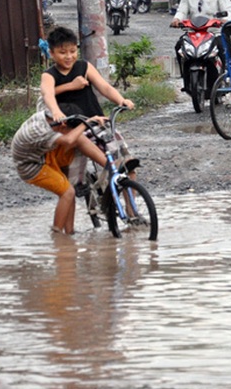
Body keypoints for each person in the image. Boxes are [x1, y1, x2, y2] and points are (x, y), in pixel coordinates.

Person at [37, 26, 137, 187]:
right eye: (63, 53)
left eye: (72, 51)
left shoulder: (83, 67)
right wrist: (56, 110)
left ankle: (131, 210)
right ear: (52, 53)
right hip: (73, 129)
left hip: (98, 123)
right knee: (75, 183)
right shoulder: (49, 75)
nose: (69, 56)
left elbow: (104, 87)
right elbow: (47, 94)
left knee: (128, 165)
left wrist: (121, 100)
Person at [11, 108, 107, 235]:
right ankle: (57, 235)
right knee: (68, 192)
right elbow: (68, 140)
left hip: (45, 152)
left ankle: (69, 232)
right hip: (32, 166)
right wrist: (86, 123)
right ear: (61, 124)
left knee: (79, 140)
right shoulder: (40, 131)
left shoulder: (47, 116)